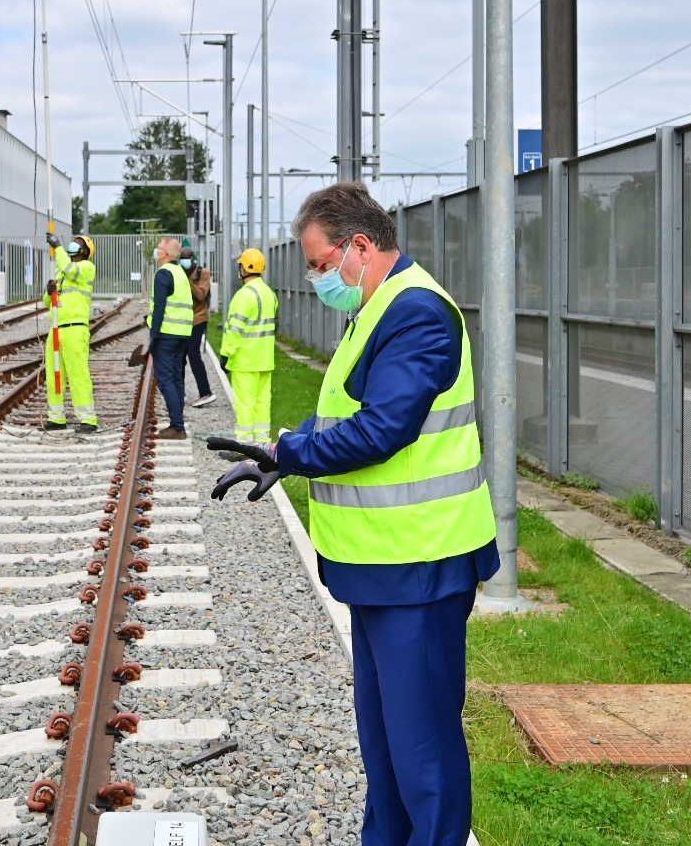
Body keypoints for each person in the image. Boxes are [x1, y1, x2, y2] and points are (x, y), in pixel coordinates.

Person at [208, 182, 498, 846]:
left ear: (359, 247)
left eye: (318, 263)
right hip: (382, 568)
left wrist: (300, 452)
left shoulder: (417, 313)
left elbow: (383, 429)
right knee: (387, 746)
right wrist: (283, 452)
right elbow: (342, 410)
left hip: (420, 567)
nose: (316, 279)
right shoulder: (377, 310)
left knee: (422, 753)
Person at [217, 248, 277, 447]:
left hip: (244, 360)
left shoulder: (243, 296)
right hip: (265, 359)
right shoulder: (269, 294)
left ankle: (243, 445)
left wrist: (225, 354)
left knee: (244, 403)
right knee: (262, 403)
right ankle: (262, 443)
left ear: (244, 268)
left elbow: (235, 330)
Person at [42, 232, 99, 433]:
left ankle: (88, 419)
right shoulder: (61, 274)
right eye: (72, 243)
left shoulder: (86, 268)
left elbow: (70, 269)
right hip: (56, 328)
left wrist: (57, 247)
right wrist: (49, 293)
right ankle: (56, 418)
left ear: (85, 251)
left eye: (78, 244)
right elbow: (47, 302)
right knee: (54, 375)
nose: (73, 245)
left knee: (78, 374)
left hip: (75, 329)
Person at [147, 236, 195, 439]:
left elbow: (160, 308)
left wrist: (153, 336)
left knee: (166, 380)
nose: (157, 251)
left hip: (166, 334)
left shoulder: (164, 273)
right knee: (176, 379)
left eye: (159, 248)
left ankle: (177, 426)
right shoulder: (180, 273)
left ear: (165, 253)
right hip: (183, 334)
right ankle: (178, 422)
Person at [182, 248, 216, 409]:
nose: (184, 262)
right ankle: (179, 392)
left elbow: (201, 295)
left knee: (193, 354)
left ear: (193, 260)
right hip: (183, 320)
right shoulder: (179, 272)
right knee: (179, 356)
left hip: (198, 318)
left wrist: (187, 281)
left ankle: (205, 391)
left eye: (186, 259)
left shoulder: (204, 274)